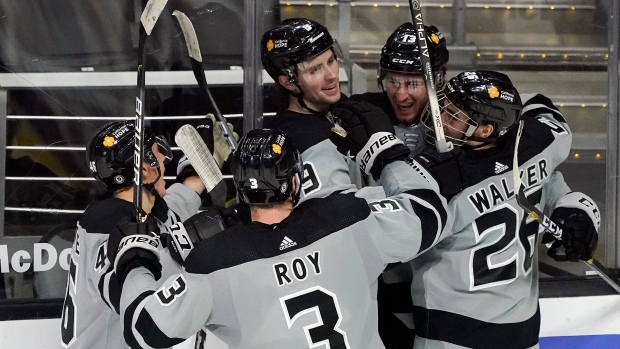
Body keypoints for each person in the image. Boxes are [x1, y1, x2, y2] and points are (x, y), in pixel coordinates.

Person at [112, 107, 452, 349]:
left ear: (242, 189)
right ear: (295, 181)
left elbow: (145, 332)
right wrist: (386, 155)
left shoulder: (214, 262)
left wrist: (135, 263)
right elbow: (430, 212)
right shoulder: (350, 218)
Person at [409, 70, 600, 349]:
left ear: (485, 130)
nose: (439, 119)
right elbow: (539, 104)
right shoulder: (537, 142)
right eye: (443, 107)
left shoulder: (434, 176)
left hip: (447, 335)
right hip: (522, 333)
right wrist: (577, 205)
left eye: (452, 116)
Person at [59, 119, 226, 349]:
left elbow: (174, 208)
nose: (166, 162)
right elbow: (129, 291)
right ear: (145, 170)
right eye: (159, 155)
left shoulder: (140, 210)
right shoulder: (106, 228)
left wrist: (201, 167)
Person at [262, 18, 366, 204]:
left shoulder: (333, 107)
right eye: (315, 70)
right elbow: (340, 216)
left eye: (331, 60)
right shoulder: (300, 141)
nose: (332, 75)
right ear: (288, 82)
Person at [349, 22, 449, 157]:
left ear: (439, 80)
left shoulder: (453, 120)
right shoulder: (363, 109)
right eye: (393, 82)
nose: (401, 96)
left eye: (413, 84)